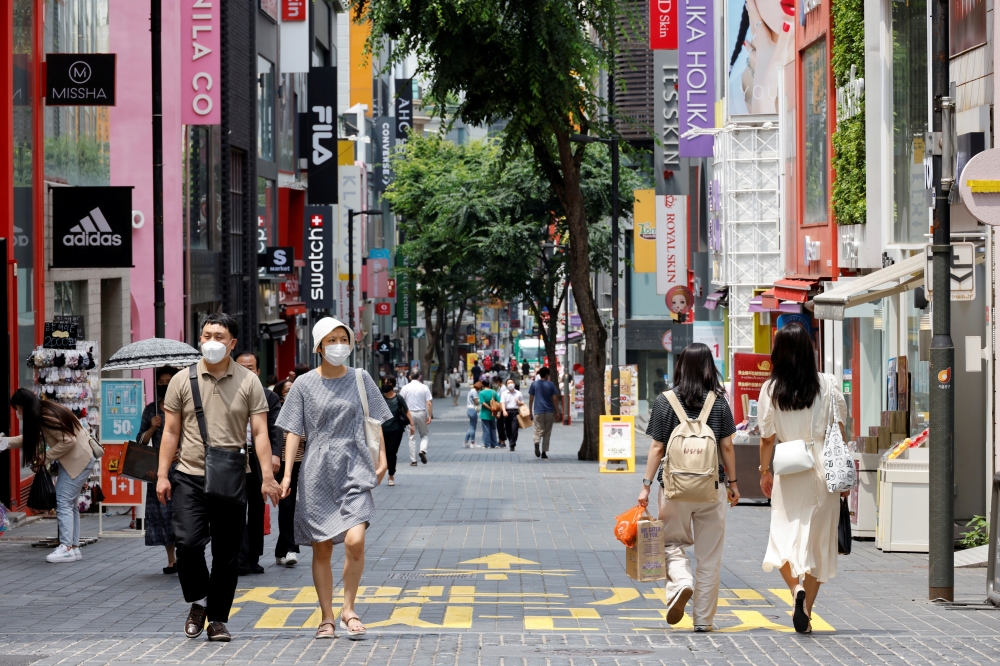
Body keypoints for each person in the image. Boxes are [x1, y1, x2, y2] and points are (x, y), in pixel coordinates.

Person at [156, 313, 281, 643]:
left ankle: (218, 619)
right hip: (189, 476)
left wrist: (267, 477)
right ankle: (199, 600)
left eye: (219, 336)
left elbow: (260, 433)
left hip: (231, 476)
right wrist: (161, 475)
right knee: (187, 544)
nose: (212, 341)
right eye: (207, 335)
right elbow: (170, 431)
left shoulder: (249, 381)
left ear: (232, 343)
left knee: (227, 554)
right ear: (199, 339)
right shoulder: (183, 380)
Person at [277, 317, 391, 640]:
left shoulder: (361, 378)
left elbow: (375, 419)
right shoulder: (302, 385)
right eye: (331, 340)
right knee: (322, 549)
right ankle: (327, 616)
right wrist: (287, 474)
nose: (338, 345)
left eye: (343, 338)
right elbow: (293, 432)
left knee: (356, 541)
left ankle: (349, 608)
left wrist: (383, 460)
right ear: (318, 346)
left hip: (355, 465)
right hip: (316, 471)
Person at [637, 343, 740, 631]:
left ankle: (681, 582)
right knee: (709, 556)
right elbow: (728, 446)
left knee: (671, 543)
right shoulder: (718, 402)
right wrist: (733, 484)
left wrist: (645, 486)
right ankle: (704, 621)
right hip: (711, 487)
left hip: (673, 489)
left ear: (680, 366)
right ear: (710, 367)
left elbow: (657, 447)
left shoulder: (664, 400)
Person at [757, 323, 848, 634]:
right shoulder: (828, 384)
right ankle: (806, 609)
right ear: (810, 351)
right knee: (818, 542)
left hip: (787, 469)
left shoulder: (770, 390)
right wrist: (843, 476)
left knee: (781, 537)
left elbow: (767, 438)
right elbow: (840, 433)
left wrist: (764, 471)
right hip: (822, 468)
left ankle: (795, 590)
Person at [0, 389, 97, 563]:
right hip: (81, 459)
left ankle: (66, 547)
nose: (16, 412)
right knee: (70, 504)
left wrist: (45, 457)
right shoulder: (44, 411)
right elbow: (31, 438)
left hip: (77, 460)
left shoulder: (45, 416)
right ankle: (73, 548)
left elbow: (68, 440)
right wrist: (7, 442)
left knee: (63, 501)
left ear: (23, 406)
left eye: (17, 408)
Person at [235, 351, 283, 575]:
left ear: (258, 371)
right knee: (235, 508)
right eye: (241, 367)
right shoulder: (226, 394)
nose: (246, 371)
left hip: (257, 457)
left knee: (256, 508)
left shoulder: (269, 397)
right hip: (233, 457)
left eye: (250, 368)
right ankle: (240, 559)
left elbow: (275, 428)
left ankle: (252, 557)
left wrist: (275, 455)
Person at [139, 366, 181, 573]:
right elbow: (140, 440)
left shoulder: (184, 406)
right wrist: (152, 427)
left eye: (168, 382)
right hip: (160, 470)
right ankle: (172, 559)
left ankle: (185, 555)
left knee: (181, 513)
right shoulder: (151, 409)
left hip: (183, 468)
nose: (164, 386)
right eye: (160, 382)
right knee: (163, 514)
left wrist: (182, 452)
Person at [379, 376, 413, 486]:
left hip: (396, 430)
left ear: (393, 385)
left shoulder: (398, 398)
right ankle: (381, 472)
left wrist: (411, 425)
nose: (385, 384)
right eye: (384, 382)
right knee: (381, 453)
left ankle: (391, 475)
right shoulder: (379, 398)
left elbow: (407, 411)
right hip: (381, 430)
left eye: (388, 383)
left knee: (391, 452)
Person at [398, 370, 433, 466]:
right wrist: (429, 415)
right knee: (424, 434)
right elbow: (429, 403)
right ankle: (422, 450)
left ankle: (413, 460)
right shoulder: (424, 387)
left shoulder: (405, 388)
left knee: (411, 437)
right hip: (422, 413)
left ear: (409, 377)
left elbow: (400, 401)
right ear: (419, 377)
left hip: (409, 414)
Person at [528, 367, 561, 459]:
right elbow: (554, 399)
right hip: (549, 411)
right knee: (547, 432)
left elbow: (531, 399)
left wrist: (530, 411)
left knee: (538, 429)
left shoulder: (534, 384)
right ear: (547, 374)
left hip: (538, 411)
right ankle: (544, 452)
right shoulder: (551, 385)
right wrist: (557, 411)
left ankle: (536, 442)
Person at [499, 378, 524, 452]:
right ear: (506, 385)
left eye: (511, 382)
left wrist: (519, 402)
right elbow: (502, 403)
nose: (510, 384)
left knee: (514, 429)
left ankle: (512, 444)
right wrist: (504, 411)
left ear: (514, 383)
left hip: (515, 412)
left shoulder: (518, 393)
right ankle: (511, 441)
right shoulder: (504, 393)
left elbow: (522, 403)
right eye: (508, 383)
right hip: (507, 412)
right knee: (508, 429)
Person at [478, 377, 501, 449]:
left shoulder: (481, 393)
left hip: (485, 413)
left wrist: (489, 408)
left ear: (483, 384)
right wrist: (494, 409)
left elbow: (483, 403)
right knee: (493, 429)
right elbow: (499, 401)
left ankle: (487, 444)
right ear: (489, 384)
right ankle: (495, 444)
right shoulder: (494, 392)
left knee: (486, 429)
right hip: (493, 413)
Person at [464, 381, 482, 448]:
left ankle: (465, 441)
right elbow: (476, 402)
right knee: (473, 427)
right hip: (472, 410)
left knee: (471, 427)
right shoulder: (474, 392)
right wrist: (481, 400)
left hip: (469, 409)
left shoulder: (471, 391)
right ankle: (472, 442)